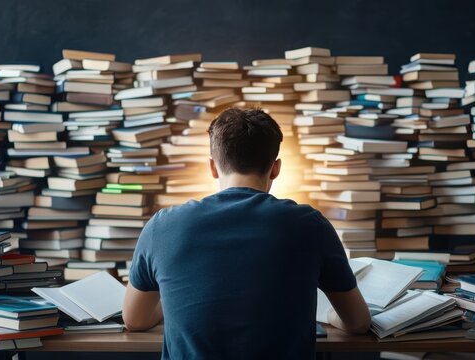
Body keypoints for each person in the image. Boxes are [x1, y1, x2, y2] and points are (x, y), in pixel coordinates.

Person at [122, 108, 371, 359]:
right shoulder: (311, 225)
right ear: (275, 169)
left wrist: (174, 301)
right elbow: (358, 323)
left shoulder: (162, 226)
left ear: (212, 167)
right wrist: (330, 316)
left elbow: (134, 320)